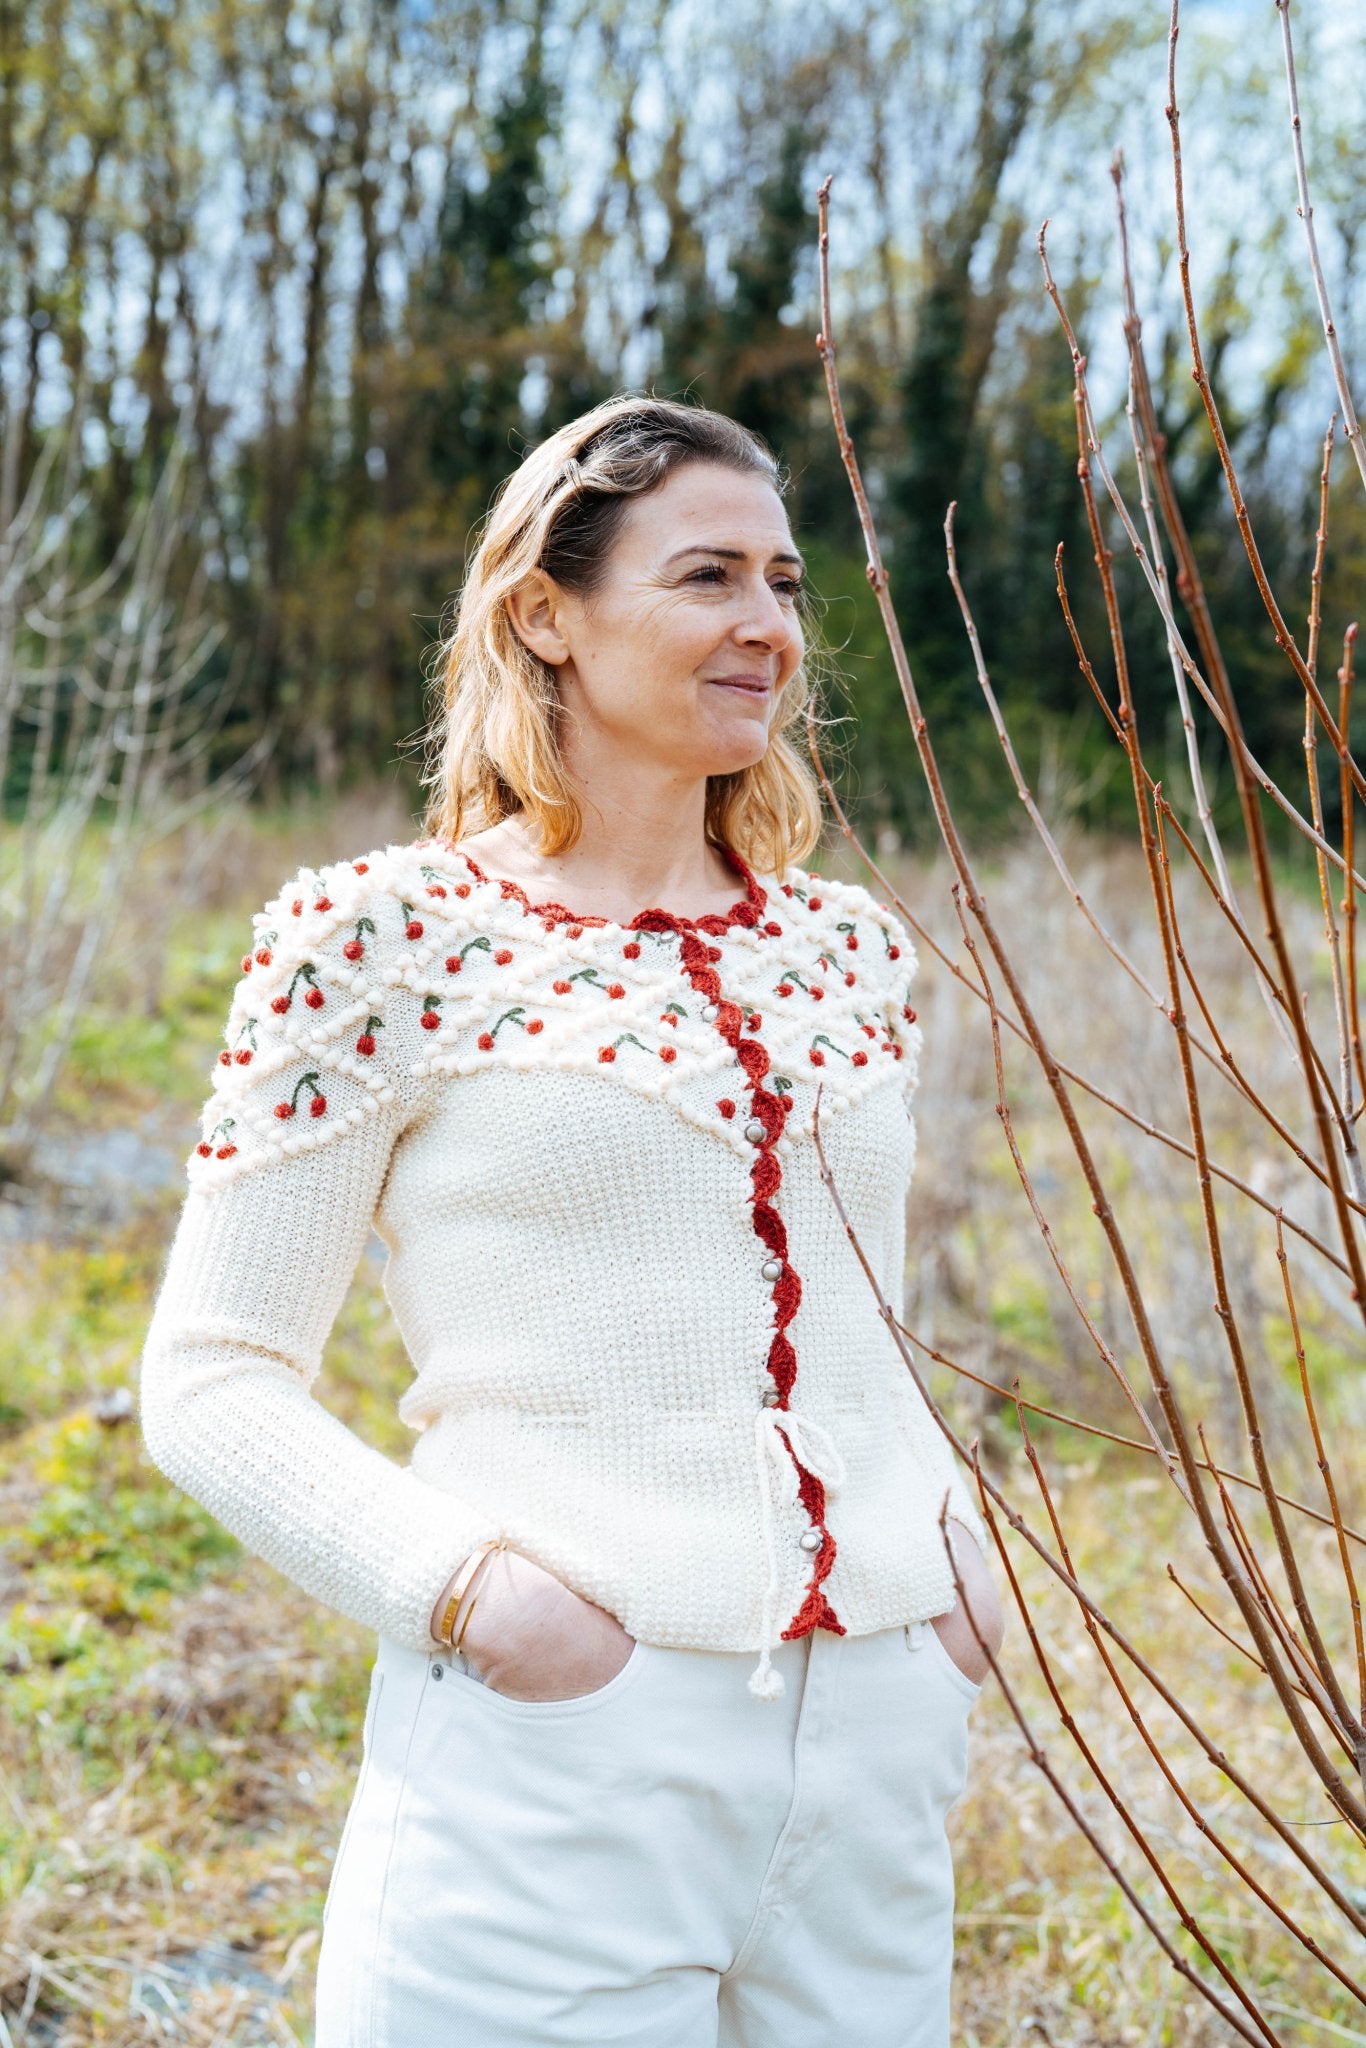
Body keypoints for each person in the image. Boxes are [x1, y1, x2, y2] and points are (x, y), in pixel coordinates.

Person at [139, 392, 1005, 2047]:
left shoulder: (846, 952)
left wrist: (957, 1561)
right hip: (565, 1741)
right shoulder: (378, 940)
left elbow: (859, 1327)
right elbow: (213, 1374)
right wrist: (477, 1598)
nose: (765, 624)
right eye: (705, 578)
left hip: (882, 1739)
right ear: (545, 611)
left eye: (782, 581)